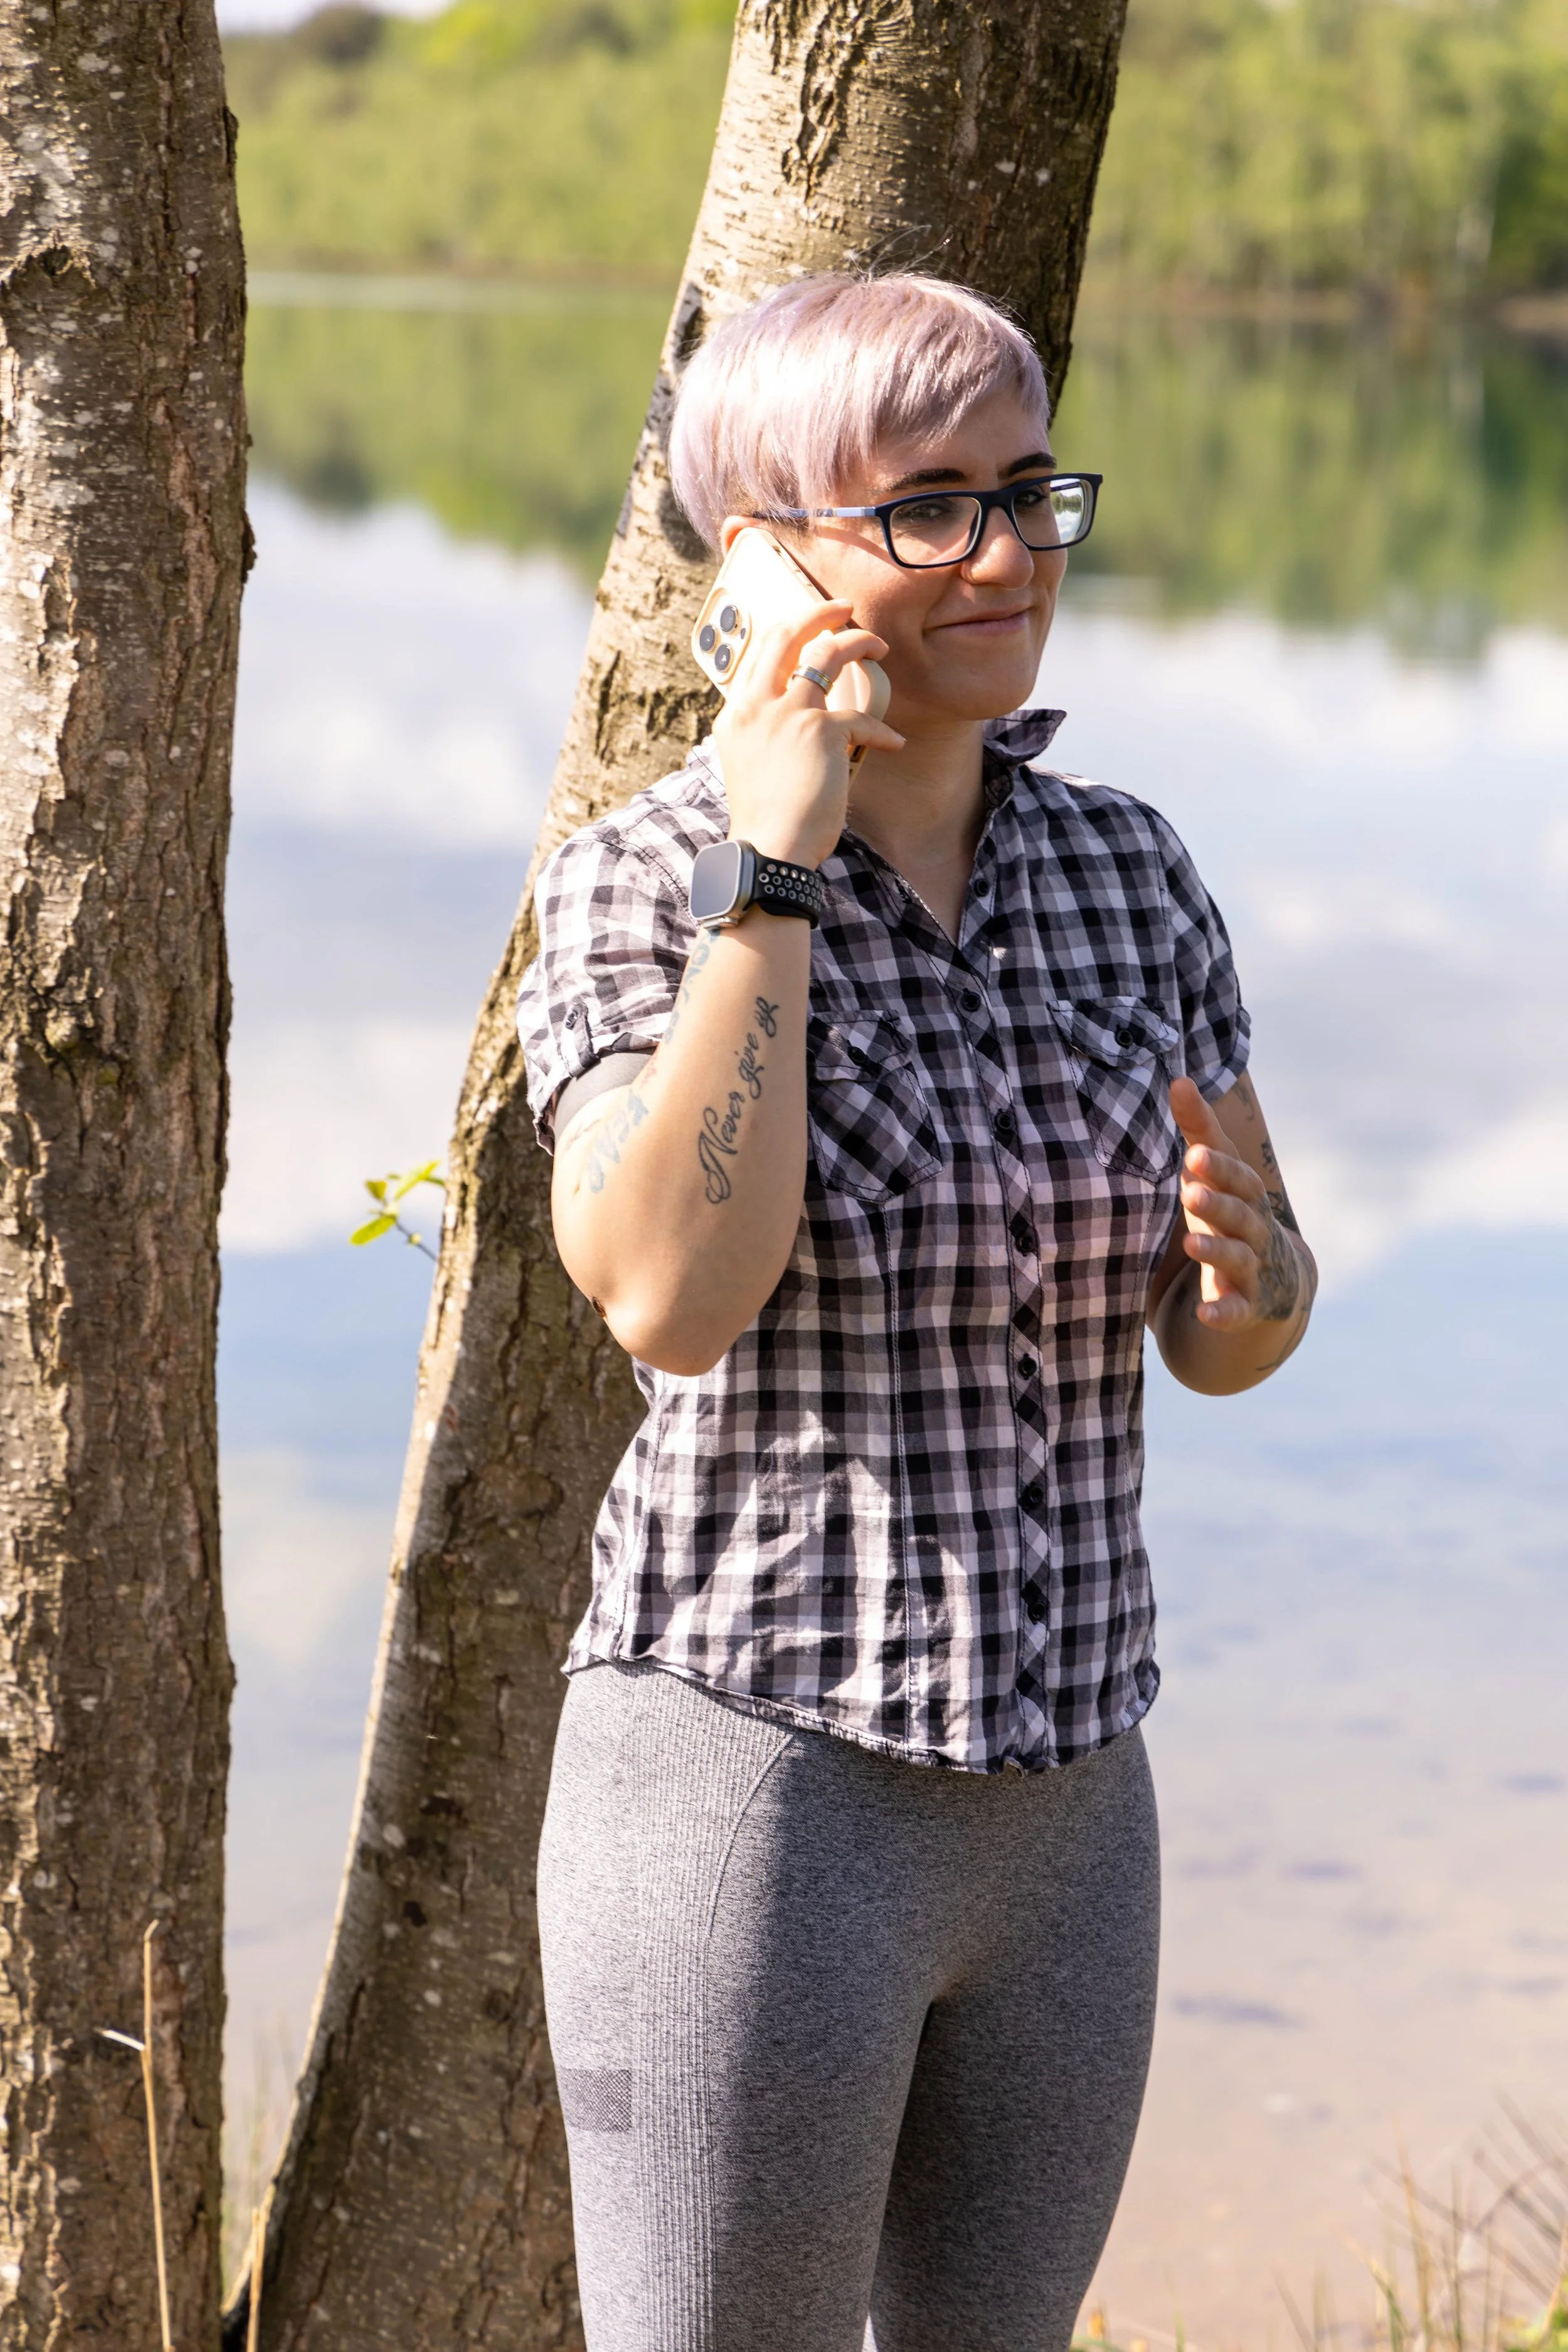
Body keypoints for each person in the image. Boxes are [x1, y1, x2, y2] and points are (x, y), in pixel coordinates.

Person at [517, 272, 1315, 2352]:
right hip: (757, 1791)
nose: (1006, 552)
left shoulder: (1131, 871)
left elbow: (1219, 1325)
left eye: (1027, 491)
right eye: (928, 506)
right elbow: (668, 1298)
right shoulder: (638, 883)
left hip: (1071, 1808)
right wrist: (773, 870)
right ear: (761, 559)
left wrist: (1265, 1283)